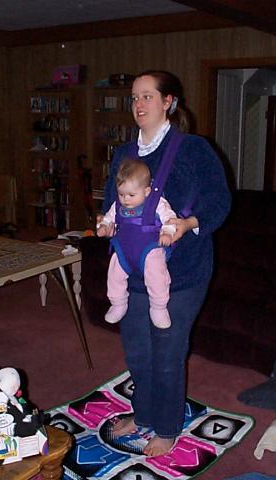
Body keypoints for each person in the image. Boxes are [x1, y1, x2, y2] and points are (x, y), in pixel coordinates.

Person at [98, 70, 231, 456]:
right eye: (134, 98)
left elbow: (220, 201)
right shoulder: (124, 153)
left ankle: (168, 427)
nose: (138, 104)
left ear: (168, 102)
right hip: (133, 270)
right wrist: (106, 222)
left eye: (147, 96)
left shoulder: (194, 149)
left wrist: (188, 224)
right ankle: (143, 414)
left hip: (183, 272)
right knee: (137, 352)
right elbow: (111, 200)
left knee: (167, 353)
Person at [97, 158, 177, 329]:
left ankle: (158, 307)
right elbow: (108, 218)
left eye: (131, 195)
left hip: (149, 249)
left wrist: (167, 232)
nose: (125, 199)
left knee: (157, 275)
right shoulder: (117, 205)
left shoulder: (157, 203)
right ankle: (118, 303)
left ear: (147, 191)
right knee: (114, 271)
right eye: (121, 194)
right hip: (125, 249)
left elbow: (170, 219)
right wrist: (103, 226)